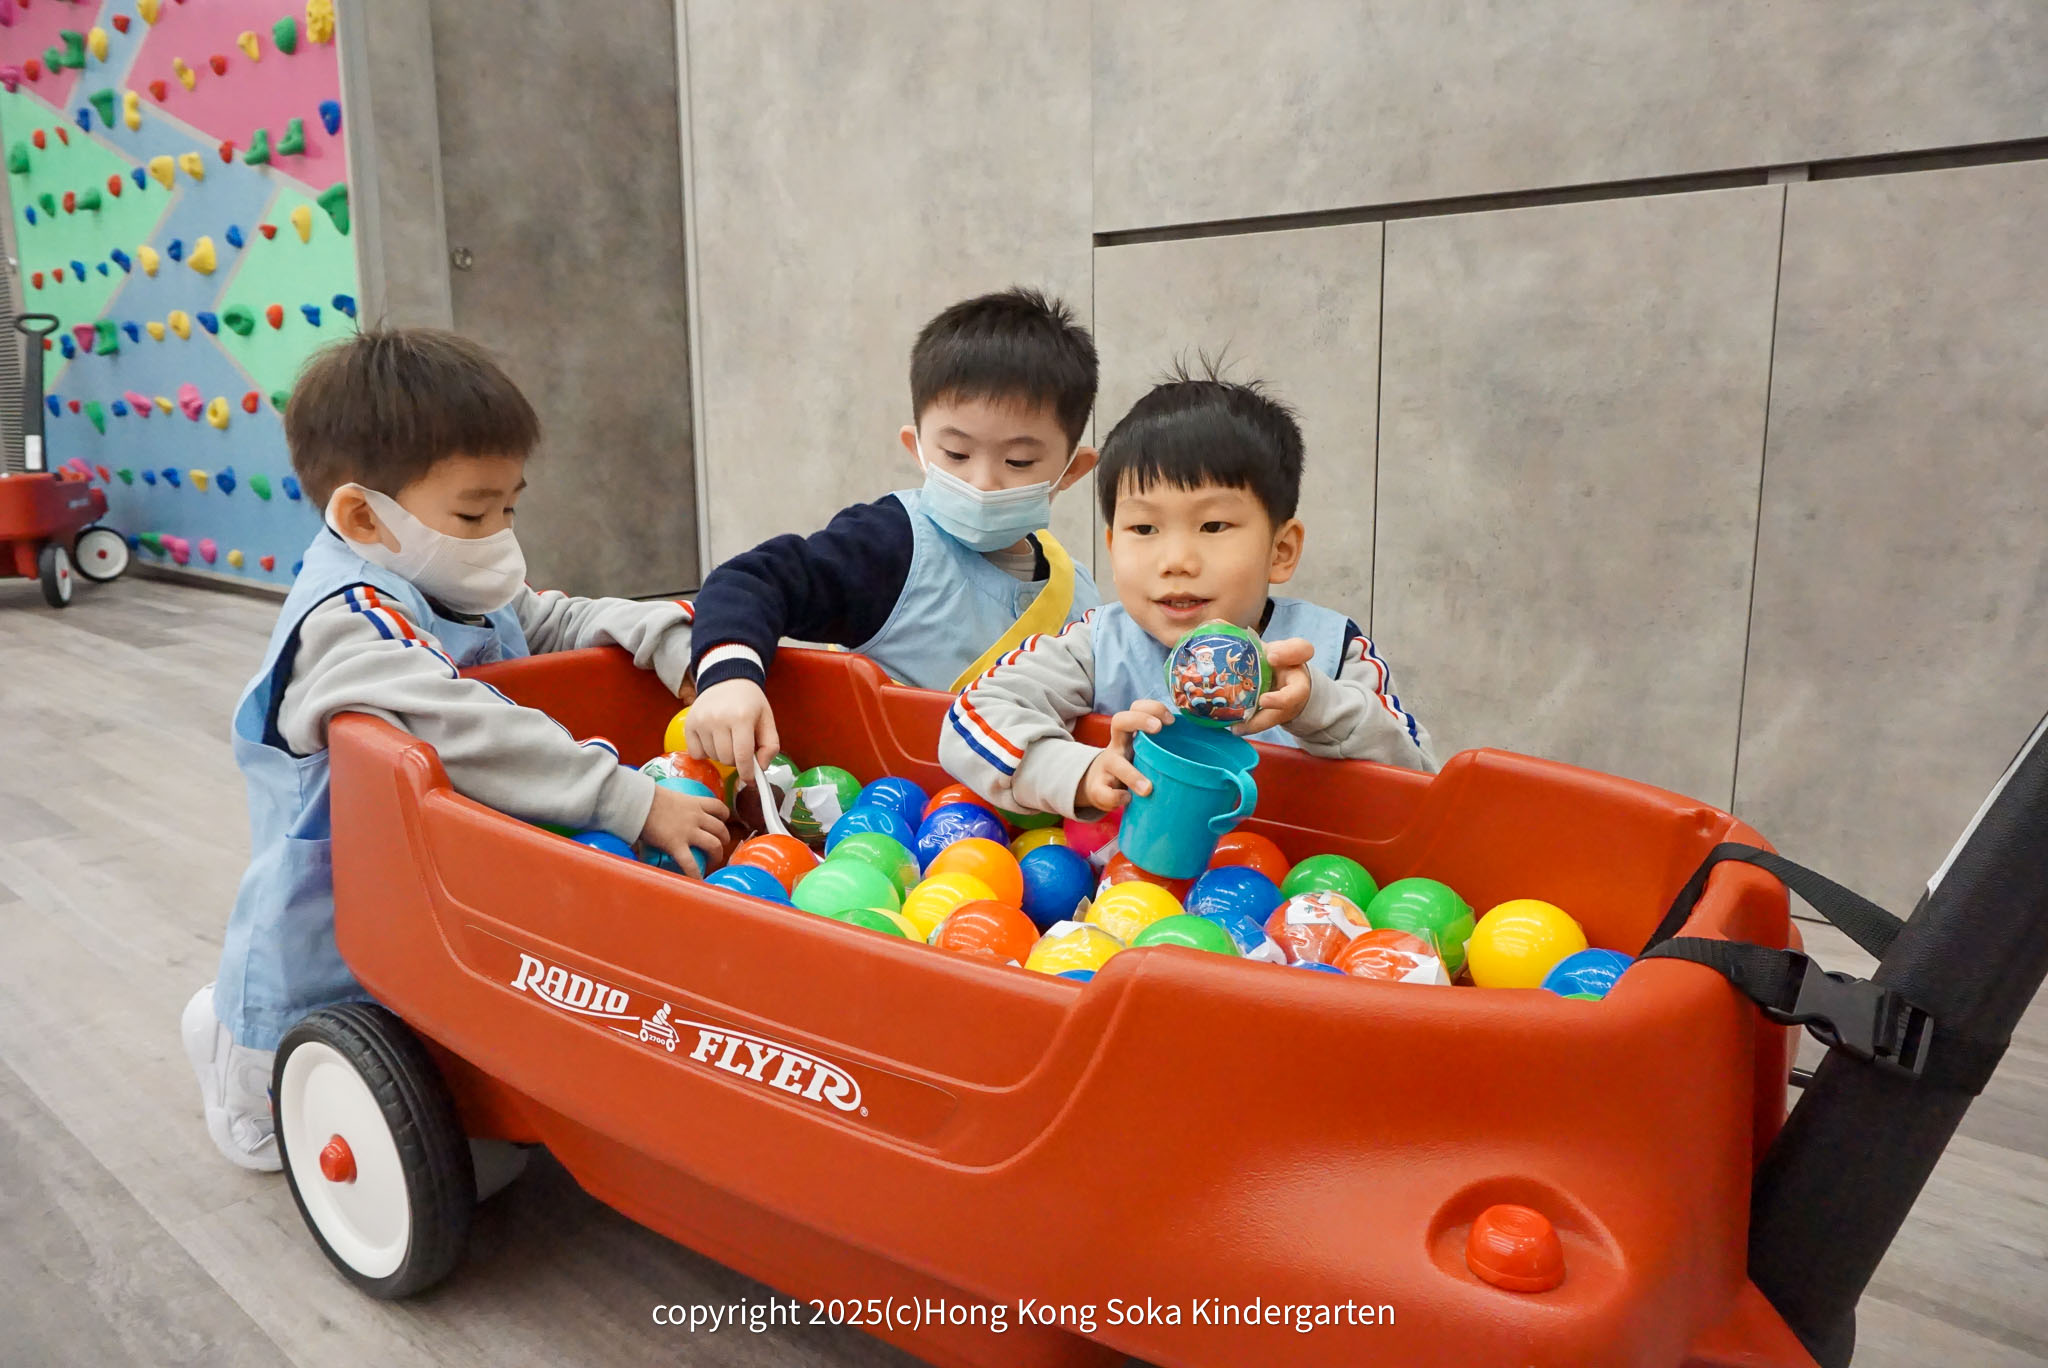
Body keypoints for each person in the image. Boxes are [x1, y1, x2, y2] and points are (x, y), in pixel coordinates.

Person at [182, 328, 727, 1170]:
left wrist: (677, 640)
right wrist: (626, 798)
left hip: (431, 881)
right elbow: (454, 719)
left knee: (428, 1048)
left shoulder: (446, 575)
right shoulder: (347, 621)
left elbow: (552, 620)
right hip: (335, 896)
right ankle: (230, 1054)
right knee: (296, 1071)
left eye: (510, 507)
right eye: (475, 513)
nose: (499, 533)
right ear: (363, 516)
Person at [940, 369, 1436, 818]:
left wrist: (1316, 707)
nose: (1175, 560)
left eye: (1213, 525)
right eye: (1144, 529)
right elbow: (971, 715)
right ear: (1112, 547)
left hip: (1293, 884)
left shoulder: (1328, 650)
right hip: (1122, 882)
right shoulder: (1096, 646)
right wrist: (1081, 771)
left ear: (1281, 550)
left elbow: (1418, 779)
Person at [685, 287, 1101, 775]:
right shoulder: (889, 545)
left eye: (1019, 461)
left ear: (1072, 470)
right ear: (917, 448)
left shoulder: (1078, 597)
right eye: (956, 454)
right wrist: (729, 678)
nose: (983, 481)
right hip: (873, 806)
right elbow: (752, 580)